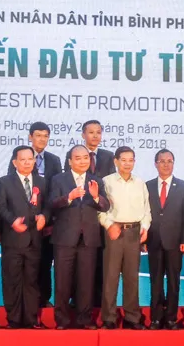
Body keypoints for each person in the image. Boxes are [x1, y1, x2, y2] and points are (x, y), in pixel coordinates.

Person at [47, 144, 110, 330]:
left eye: (85, 158)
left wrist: (97, 197)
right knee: (62, 281)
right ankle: (62, 320)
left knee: (86, 281)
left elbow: (105, 206)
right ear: (70, 161)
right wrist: (69, 197)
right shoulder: (59, 179)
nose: (82, 161)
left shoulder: (96, 180)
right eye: (78, 158)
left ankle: (85, 319)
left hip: (88, 238)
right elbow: (51, 203)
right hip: (64, 238)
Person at [7, 122, 62, 309]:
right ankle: (22, 304)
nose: (42, 139)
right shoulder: (20, 157)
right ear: (30, 136)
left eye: (46, 136)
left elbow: (55, 191)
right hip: (22, 224)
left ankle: (43, 299)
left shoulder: (54, 160)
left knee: (45, 262)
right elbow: (11, 191)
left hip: (44, 221)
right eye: (38, 135)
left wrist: (48, 219)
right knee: (21, 268)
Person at [63, 120, 115, 308]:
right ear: (83, 134)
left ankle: (94, 305)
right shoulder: (74, 154)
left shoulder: (109, 157)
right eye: (91, 132)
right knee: (74, 270)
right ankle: (75, 303)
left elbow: (110, 190)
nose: (95, 136)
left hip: (98, 219)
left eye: (98, 132)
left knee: (97, 267)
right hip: (75, 221)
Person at [98, 146, 151, 330]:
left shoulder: (140, 183)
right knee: (110, 277)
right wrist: (108, 225)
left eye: (131, 160)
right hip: (114, 232)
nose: (127, 163)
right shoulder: (106, 182)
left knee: (131, 277)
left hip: (134, 233)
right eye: (124, 160)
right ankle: (109, 318)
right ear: (116, 161)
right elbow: (99, 210)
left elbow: (146, 210)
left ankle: (132, 318)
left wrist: (144, 227)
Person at [0, 145, 49, 329]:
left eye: (30, 159)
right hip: (13, 239)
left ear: (35, 161)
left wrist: (44, 216)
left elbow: (48, 206)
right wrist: (13, 221)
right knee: (12, 280)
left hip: (35, 239)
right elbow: (1, 207)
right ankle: (13, 319)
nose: (27, 162)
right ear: (15, 162)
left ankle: (31, 319)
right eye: (23, 159)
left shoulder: (42, 182)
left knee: (32, 280)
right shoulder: (4, 182)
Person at [145, 149, 184, 330]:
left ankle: (171, 318)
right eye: (162, 161)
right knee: (155, 281)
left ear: (173, 163)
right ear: (155, 164)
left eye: (169, 161)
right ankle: (156, 318)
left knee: (173, 281)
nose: (165, 164)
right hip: (154, 240)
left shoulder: (183, 186)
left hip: (175, 241)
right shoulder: (146, 185)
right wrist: (143, 238)